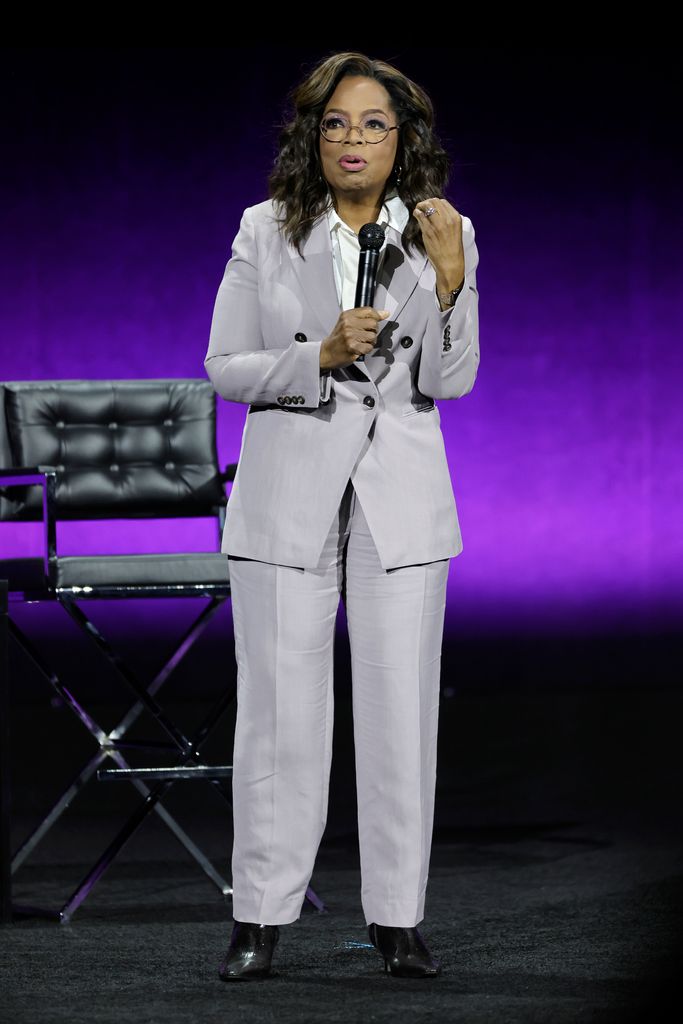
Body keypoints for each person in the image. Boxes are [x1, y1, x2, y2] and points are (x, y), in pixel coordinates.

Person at [203, 50, 480, 981]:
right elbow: (225, 367)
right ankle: (260, 919)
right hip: (287, 497)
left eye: (371, 124)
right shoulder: (264, 230)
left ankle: (397, 921)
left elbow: (454, 378)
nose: (352, 139)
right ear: (310, 137)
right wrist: (313, 354)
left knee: (402, 714)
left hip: (399, 503)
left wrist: (447, 286)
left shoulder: (444, 230)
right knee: (279, 718)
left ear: (402, 140)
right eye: (334, 123)